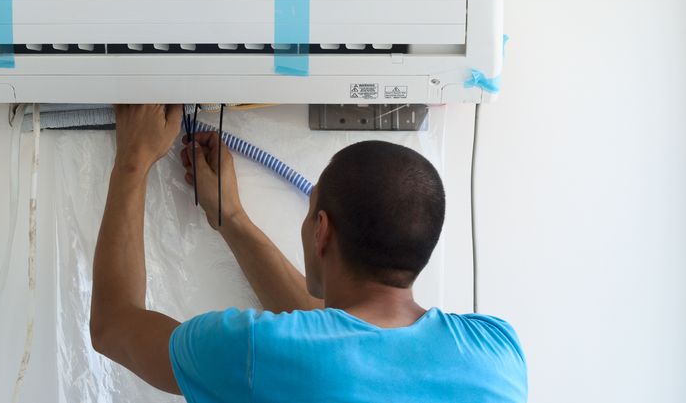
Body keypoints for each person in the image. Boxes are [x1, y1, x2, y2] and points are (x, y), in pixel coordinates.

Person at [90, 104, 527, 402]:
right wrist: (233, 220)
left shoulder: (250, 350)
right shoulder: (498, 352)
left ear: (321, 230)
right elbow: (338, 336)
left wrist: (133, 158)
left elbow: (113, 326)